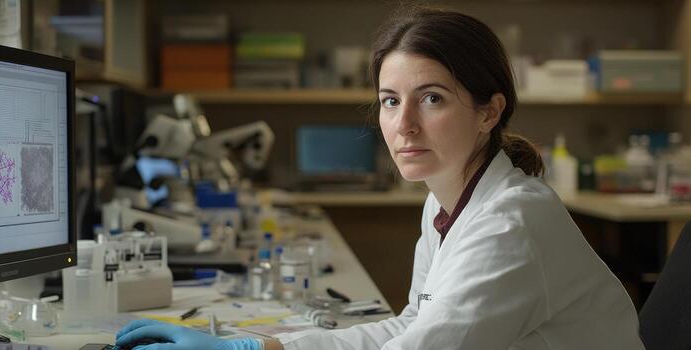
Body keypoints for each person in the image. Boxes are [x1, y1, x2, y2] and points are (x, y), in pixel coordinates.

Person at [114, 7, 645, 350]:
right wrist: (263, 347)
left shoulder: (511, 222)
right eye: (391, 101)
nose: (403, 124)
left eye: (431, 98)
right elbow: (411, 326)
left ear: (489, 111)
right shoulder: (445, 202)